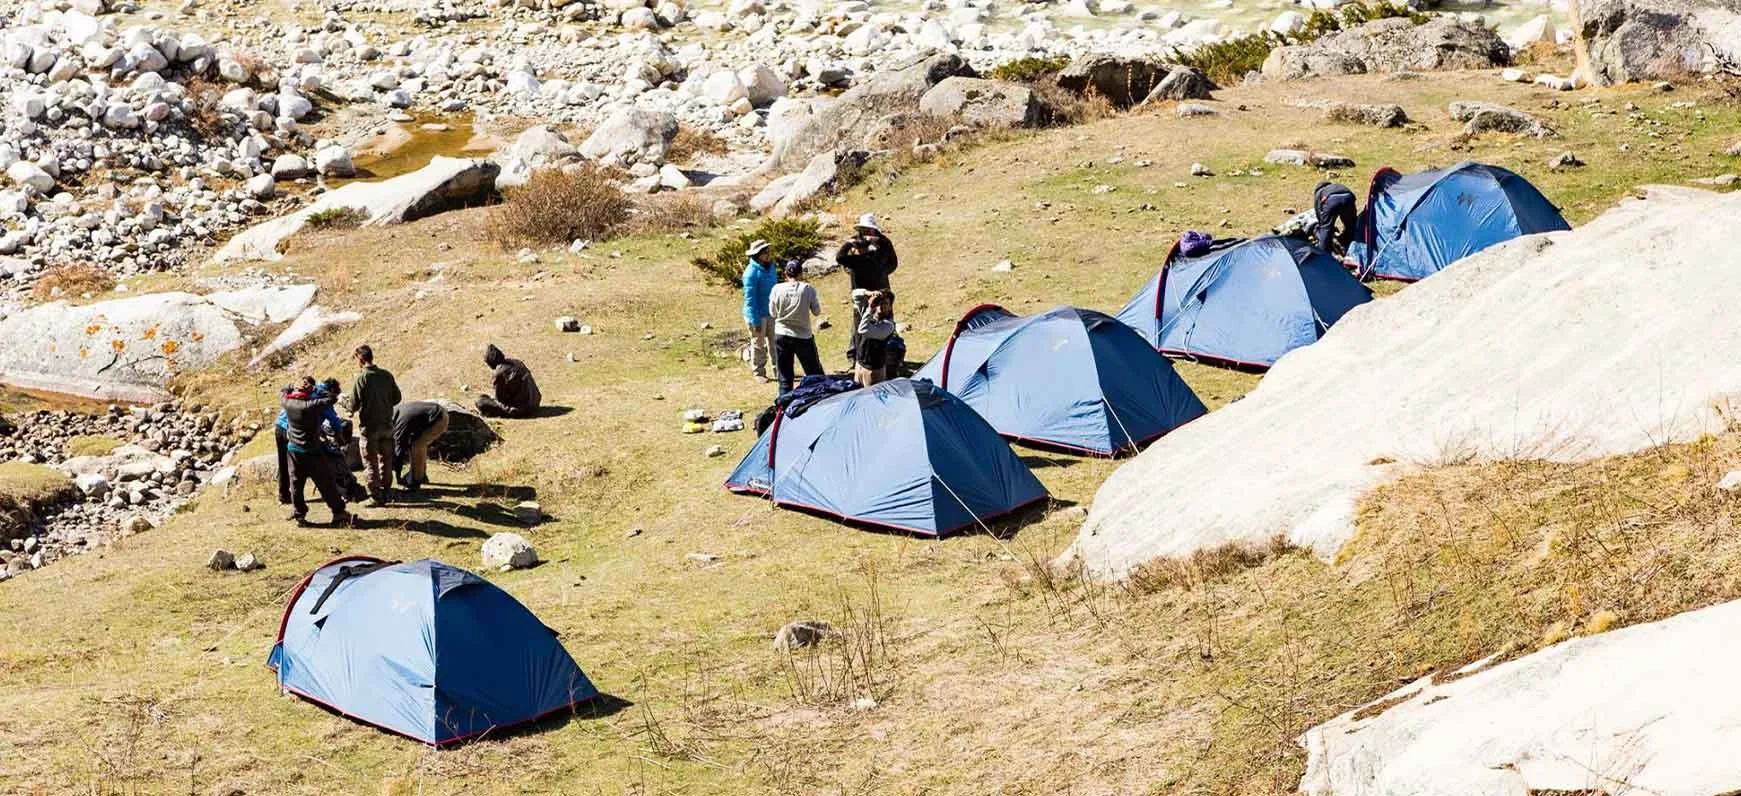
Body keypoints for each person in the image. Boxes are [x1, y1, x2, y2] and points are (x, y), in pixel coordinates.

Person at [281, 376, 351, 526]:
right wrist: (317, 389)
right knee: (326, 483)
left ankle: (299, 514)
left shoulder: (287, 402)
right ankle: (339, 512)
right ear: (308, 392)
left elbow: (283, 390)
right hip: (311, 451)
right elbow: (332, 398)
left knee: (296, 484)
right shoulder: (311, 405)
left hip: (293, 450)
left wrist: (293, 385)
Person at [835, 214, 898, 364]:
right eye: (864, 230)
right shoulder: (856, 242)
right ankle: (855, 355)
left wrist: (882, 272)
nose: (867, 233)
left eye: (869, 230)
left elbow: (893, 263)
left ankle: (889, 353)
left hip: (880, 288)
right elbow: (842, 259)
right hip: (861, 289)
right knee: (860, 321)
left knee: (885, 319)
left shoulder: (883, 244)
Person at [349, 344, 401, 505]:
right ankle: (387, 492)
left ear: (360, 358)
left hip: (369, 428)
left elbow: (354, 404)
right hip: (387, 425)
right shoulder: (386, 375)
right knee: (386, 459)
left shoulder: (361, 378)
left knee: (370, 462)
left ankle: (376, 497)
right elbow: (397, 398)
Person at [768, 259, 825, 394]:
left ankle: (783, 406)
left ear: (786, 274)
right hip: (802, 335)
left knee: (785, 377)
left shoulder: (777, 289)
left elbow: (772, 313)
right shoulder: (807, 289)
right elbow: (817, 312)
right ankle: (821, 399)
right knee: (814, 373)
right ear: (801, 274)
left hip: (781, 334)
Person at [391, 400, 450, 491]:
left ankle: (415, 481)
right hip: (438, 413)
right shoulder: (397, 411)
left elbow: (399, 449)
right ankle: (421, 476)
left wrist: (398, 476)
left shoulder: (399, 422)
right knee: (416, 443)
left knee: (417, 446)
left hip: (438, 418)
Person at [741, 239, 777, 384]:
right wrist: (755, 321)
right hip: (757, 314)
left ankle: (779, 371)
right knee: (758, 344)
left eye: (768, 251)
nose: (768, 254)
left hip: (771, 312)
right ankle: (759, 372)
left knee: (775, 343)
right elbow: (749, 300)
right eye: (765, 252)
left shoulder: (771, 267)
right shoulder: (750, 273)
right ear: (757, 255)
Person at [476, 344, 542, 418]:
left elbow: (501, 400)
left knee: (480, 401)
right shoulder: (517, 362)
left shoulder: (500, 373)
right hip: (535, 402)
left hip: (520, 410)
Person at [854, 290, 896, 387]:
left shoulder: (888, 325)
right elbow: (855, 295)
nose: (882, 306)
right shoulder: (870, 314)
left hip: (874, 371)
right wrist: (868, 293)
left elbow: (863, 330)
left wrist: (870, 308)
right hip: (859, 365)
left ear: (890, 307)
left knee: (872, 400)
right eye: (880, 302)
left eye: (886, 303)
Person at [1313, 181, 1358, 257]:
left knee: (1325, 228)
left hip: (1332, 199)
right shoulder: (1335, 186)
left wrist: (1324, 226)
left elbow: (1319, 215)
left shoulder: (1319, 192)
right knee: (1351, 225)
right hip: (1348, 197)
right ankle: (1350, 246)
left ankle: (1324, 255)